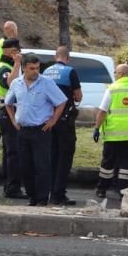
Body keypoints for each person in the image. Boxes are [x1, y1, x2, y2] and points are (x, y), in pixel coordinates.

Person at [4, 53, 68, 207]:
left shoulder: (46, 83)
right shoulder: (16, 83)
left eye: (37, 68)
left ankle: (41, 199)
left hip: (41, 130)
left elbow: (61, 102)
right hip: (23, 130)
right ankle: (32, 197)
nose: (35, 71)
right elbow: (8, 103)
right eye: (32, 68)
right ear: (24, 68)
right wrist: (14, 120)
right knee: (25, 166)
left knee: (42, 166)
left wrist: (53, 120)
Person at [93, 64, 128, 199]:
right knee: (126, 165)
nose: (115, 75)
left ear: (121, 74)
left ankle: (102, 189)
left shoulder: (112, 88)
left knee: (107, 163)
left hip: (113, 134)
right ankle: (123, 191)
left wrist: (96, 128)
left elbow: (102, 111)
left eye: (115, 72)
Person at [43, 46, 82, 206]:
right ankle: (59, 194)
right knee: (65, 156)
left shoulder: (45, 72)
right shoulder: (70, 72)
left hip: (48, 120)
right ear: (67, 58)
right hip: (65, 121)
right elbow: (78, 96)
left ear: (55, 56)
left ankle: (50, 190)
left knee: (51, 155)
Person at [0, 38, 23, 198]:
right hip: (7, 112)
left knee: (9, 151)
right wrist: (17, 64)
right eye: (18, 52)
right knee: (14, 152)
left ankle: (9, 184)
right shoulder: (4, 67)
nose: (20, 55)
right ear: (12, 52)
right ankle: (12, 187)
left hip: (6, 112)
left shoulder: (6, 66)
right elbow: (10, 83)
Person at [0, 21, 18, 148]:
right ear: (12, 30)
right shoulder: (2, 43)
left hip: (4, 80)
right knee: (3, 109)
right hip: (3, 82)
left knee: (1, 111)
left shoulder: (12, 43)